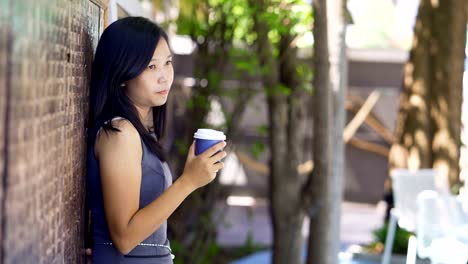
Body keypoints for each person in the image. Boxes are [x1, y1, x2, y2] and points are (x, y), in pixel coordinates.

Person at [86, 16, 226, 263]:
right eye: (151, 67)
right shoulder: (120, 134)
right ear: (122, 74)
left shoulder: (141, 132)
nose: (164, 77)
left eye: (168, 63)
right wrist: (188, 182)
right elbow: (125, 238)